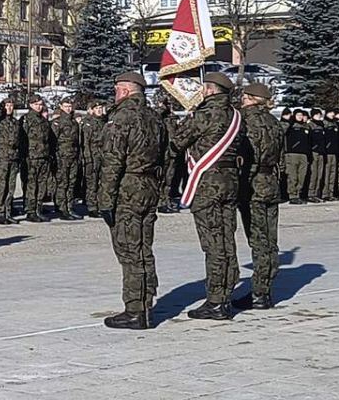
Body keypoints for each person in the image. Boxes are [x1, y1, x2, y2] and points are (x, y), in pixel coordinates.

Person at [169, 72, 241, 320]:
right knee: (227, 239)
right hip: (230, 182)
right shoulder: (236, 116)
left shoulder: (205, 114)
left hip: (207, 182)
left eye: (204, 88)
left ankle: (215, 301)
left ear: (210, 90)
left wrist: (184, 121)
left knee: (212, 244)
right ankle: (227, 292)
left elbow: (176, 142)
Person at [98, 72, 161, 330]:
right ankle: (145, 305)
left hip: (128, 189)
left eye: (116, 90)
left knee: (129, 250)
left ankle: (135, 309)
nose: (115, 94)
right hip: (149, 186)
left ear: (124, 90)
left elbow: (112, 162)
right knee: (144, 248)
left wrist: (105, 200)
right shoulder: (154, 118)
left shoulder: (121, 117)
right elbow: (167, 157)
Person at [233, 83, 284, 311]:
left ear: (253, 99)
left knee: (258, 240)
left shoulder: (244, 120)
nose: (242, 99)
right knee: (270, 240)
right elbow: (281, 157)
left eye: (245, 96)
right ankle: (266, 289)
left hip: (252, 185)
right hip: (271, 183)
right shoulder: (274, 122)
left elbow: (243, 154)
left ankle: (259, 293)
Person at [0, 98, 21, 224]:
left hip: (13, 157)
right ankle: (0, 213)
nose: (9, 108)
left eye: (11, 105)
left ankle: (8, 212)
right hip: (1, 157)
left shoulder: (15, 122)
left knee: (11, 187)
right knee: (1, 187)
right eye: (7, 105)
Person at [21, 94, 52, 222]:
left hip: (43, 156)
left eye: (40, 105)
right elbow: (22, 139)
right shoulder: (26, 119)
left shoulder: (44, 121)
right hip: (31, 157)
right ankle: (30, 210)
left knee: (41, 185)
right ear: (30, 105)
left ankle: (38, 209)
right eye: (36, 105)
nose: (39, 107)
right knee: (31, 185)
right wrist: (24, 156)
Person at [51, 97, 81, 220]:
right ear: (61, 107)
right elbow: (53, 141)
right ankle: (61, 208)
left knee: (71, 182)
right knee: (62, 183)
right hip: (62, 157)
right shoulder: (57, 122)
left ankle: (69, 206)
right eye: (66, 106)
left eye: (70, 106)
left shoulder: (74, 122)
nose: (68, 108)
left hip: (73, 156)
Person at [80, 101, 106, 218]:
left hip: (103, 157)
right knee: (92, 183)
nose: (99, 110)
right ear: (92, 110)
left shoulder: (104, 122)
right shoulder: (88, 123)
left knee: (102, 182)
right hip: (92, 156)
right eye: (97, 108)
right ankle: (92, 207)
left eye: (101, 108)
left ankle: (101, 205)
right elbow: (85, 142)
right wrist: (87, 158)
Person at [283, 109, 311, 204]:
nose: (300, 116)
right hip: (292, 153)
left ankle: (298, 193)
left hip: (303, 154)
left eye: (301, 115)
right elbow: (282, 131)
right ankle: (292, 195)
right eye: (298, 115)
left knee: (302, 176)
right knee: (293, 175)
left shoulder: (305, 127)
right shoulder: (290, 125)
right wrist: (290, 122)